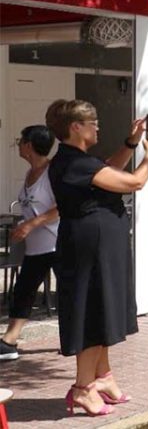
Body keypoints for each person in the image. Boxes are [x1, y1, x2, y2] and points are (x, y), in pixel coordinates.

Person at [46, 99, 148, 417]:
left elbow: (107, 167)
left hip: (98, 245)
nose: (98, 126)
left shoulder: (80, 161)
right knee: (93, 313)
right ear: (75, 127)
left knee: (104, 307)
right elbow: (134, 182)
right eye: (92, 122)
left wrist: (131, 143)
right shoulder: (71, 162)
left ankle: (103, 377)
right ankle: (82, 388)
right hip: (88, 248)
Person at [0, 124, 60, 361]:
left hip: (57, 244)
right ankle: (9, 341)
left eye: (21, 140)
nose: (18, 144)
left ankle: (79, 340)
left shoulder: (52, 173)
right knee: (23, 291)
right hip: (36, 248)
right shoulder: (29, 173)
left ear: (29, 146)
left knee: (69, 293)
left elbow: (61, 206)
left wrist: (30, 225)